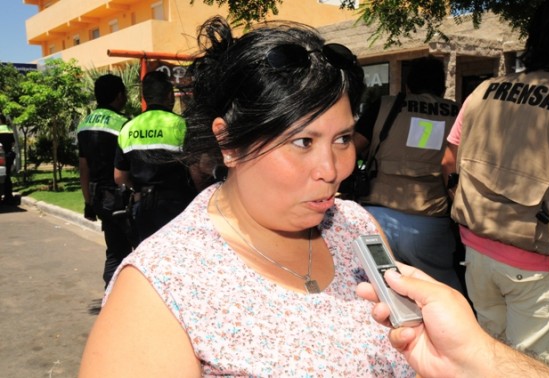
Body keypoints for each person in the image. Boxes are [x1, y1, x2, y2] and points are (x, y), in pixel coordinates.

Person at [79, 16, 416, 377]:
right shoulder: (161, 288)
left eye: (343, 139)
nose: (331, 170)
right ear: (228, 143)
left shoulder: (356, 227)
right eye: (303, 142)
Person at [441, 0, 549, 369]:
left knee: (487, 357)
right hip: (541, 261)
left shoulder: (483, 92)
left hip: (476, 250)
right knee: (534, 366)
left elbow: (449, 160)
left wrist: (462, 203)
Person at [354, 57, 463, 292]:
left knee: (375, 287)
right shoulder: (457, 113)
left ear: (407, 84)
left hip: (376, 215)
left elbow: (352, 146)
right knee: (440, 292)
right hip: (430, 219)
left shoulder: (385, 105)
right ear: (442, 86)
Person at [356, 264, 549, 377]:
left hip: (479, 253)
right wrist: (471, 355)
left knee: (494, 326)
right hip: (531, 261)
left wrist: (472, 355)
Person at [114, 70, 206, 246]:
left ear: (146, 97)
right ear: (170, 96)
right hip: (177, 205)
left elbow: (119, 177)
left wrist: (140, 192)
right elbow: (196, 171)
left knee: (148, 258)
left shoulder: (128, 128)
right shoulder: (182, 125)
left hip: (142, 208)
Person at [77, 74, 133, 288]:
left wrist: (88, 201)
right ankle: (115, 297)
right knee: (126, 251)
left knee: (115, 249)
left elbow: (84, 168)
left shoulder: (84, 124)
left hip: (99, 196)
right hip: (121, 197)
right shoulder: (123, 124)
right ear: (119, 96)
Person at [0, 114, 17, 205]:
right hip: (9, 154)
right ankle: (8, 196)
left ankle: (6, 196)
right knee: (7, 176)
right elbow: (13, 143)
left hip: (1, 156)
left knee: (2, 176)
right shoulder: (9, 129)